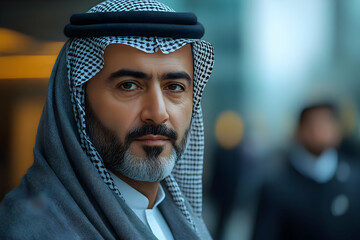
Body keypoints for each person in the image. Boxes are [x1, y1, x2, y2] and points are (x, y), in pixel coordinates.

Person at [0, 0, 214, 239]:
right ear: (77, 102)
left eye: (174, 86)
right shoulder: (28, 230)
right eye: (129, 86)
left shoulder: (180, 219)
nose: (157, 112)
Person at [252, 103, 360, 240]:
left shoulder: (353, 179)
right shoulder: (277, 185)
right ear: (299, 131)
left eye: (327, 121)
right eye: (315, 123)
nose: (322, 130)